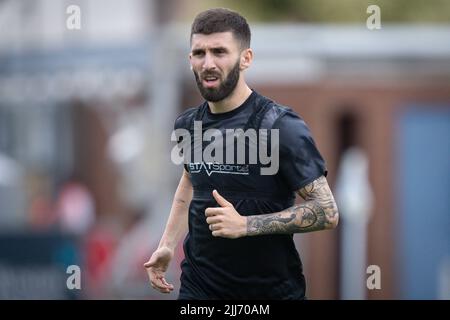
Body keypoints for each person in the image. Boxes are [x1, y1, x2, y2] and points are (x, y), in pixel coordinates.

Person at [144, 8, 339, 300]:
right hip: (199, 292)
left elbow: (327, 211)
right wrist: (167, 245)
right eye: (199, 53)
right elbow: (189, 183)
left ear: (245, 58)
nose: (208, 63)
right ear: (190, 60)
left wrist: (246, 225)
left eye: (219, 52)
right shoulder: (188, 124)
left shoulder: (280, 125)